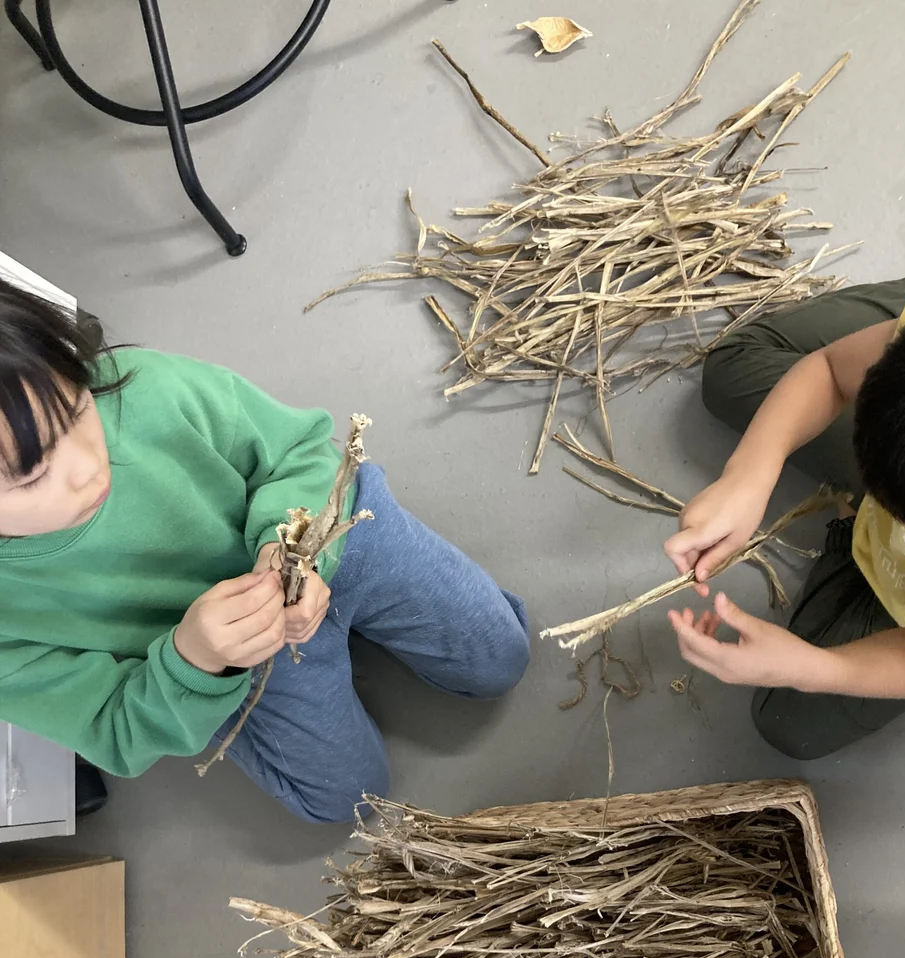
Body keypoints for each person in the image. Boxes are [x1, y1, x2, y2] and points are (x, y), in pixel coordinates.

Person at [0, 281, 530, 823]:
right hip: (236, 656)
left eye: (78, 408)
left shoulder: (139, 385)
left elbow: (296, 451)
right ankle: (235, 705)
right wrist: (196, 663)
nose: (88, 464)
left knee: (502, 661)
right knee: (349, 801)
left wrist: (294, 546)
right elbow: (113, 728)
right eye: (32, 474)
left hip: (334, 532)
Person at [664, 159, 905, 761]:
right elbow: (827, 369)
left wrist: (813, 667)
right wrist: (750, 475)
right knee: (736, 368)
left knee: (791, 720)